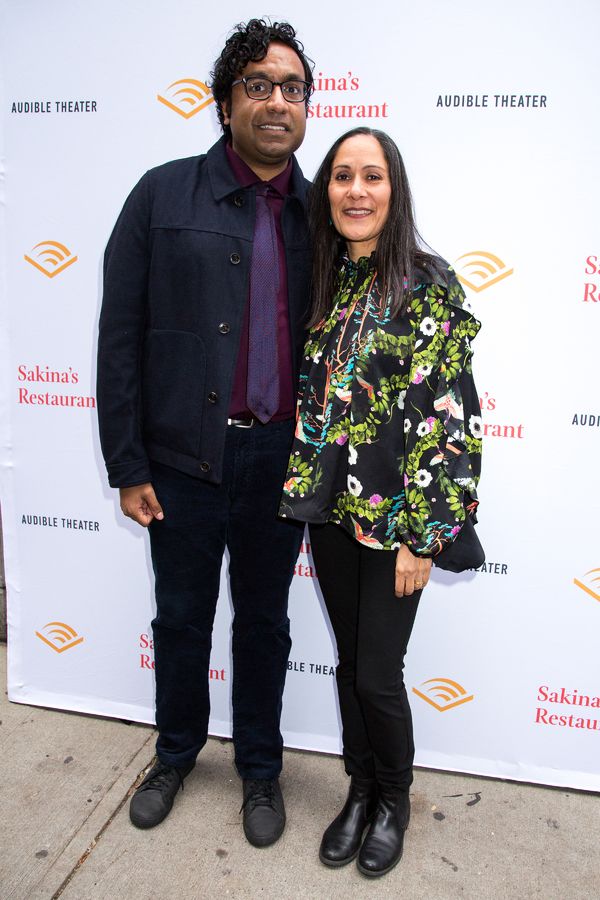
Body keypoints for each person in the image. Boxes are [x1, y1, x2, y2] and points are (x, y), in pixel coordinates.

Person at [97, 19, 313, 847]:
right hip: (182, 461)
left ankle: (261, 770)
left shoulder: (320, 211)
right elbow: (121, 336)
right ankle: (176, 753)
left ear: (305, 107)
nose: (275, 101)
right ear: (225, 103)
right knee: (181, 617)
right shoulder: (160, 195)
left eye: (291, 87)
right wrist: (127, 462)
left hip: (279, 462)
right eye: (257, 84)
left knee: (265, 624)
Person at [279, 127, 482, 877]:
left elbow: (451, 422)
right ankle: (359, 790)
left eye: (371, 176)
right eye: (341, 177)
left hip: (398, 520)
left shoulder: (429, 283)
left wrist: (423, 537)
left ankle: (394, 799)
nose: (356, 191)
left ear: (393, 190)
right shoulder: (325, 285)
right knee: (345, 665)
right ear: (325, 192)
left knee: (376, 673)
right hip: (329, 511)